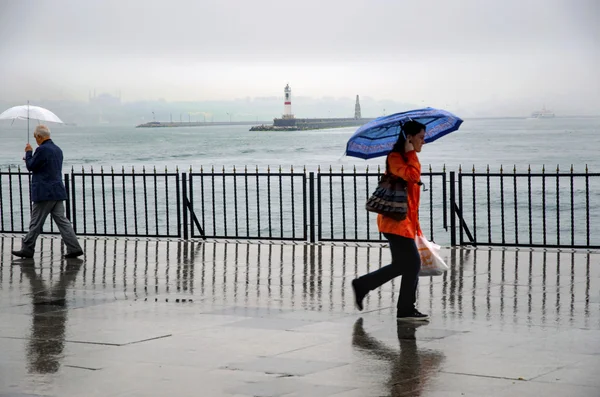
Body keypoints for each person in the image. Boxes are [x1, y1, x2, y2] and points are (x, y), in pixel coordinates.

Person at [351, 120, 428, 320]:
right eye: (421, 137)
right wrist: (411, 153)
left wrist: (416, 226)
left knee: (403, 265)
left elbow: (411, 199)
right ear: (409, 137)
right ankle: (405, 309)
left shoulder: (405, 157)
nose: (424, 141)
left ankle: (363, 285)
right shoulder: (396, 158)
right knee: (412, 264)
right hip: (395, 223)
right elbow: (412, 176)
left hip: (404, 223)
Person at [11, 125, 84, 259]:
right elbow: (46, 166)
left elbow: (31, 166)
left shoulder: (42, 149)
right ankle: (74, 248)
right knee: (63, 221)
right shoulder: (57, 149)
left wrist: (28, 153)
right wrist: (31, 158)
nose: (35, 140)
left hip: (44, 192)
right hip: (57, 191)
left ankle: (27, 249)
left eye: (35, 137)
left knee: (36, 221)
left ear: (40, 136)